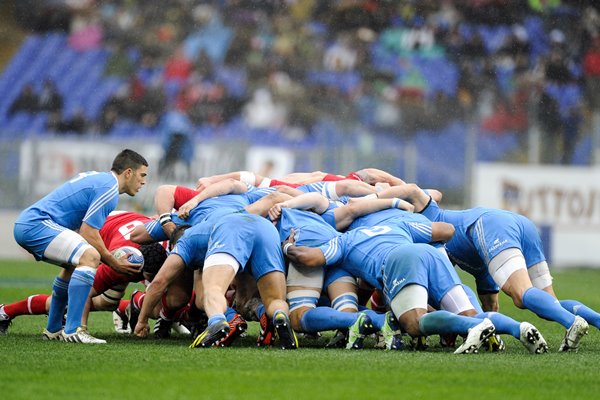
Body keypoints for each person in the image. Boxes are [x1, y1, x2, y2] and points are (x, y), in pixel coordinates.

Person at [379, 183, 592, 352]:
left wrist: (376, 197)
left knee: (521, 294)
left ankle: (572, 322)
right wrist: (489, 334)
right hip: (520, 225)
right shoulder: (474, 259)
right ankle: (592, 320)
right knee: (548, 303)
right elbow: (490, 306)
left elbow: (413, 189)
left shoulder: (428, 215)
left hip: (491, 226)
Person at [13, 149, 148, 344]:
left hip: (31, 223)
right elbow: (88, 233)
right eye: (142, 175)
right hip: (38, 224)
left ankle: (53, 329)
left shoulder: (101, 180)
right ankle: (73, 329)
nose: (143, 181)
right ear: (128, 172)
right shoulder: (109, 189)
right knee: (90, 256)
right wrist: (113, 262)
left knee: (73, 266)